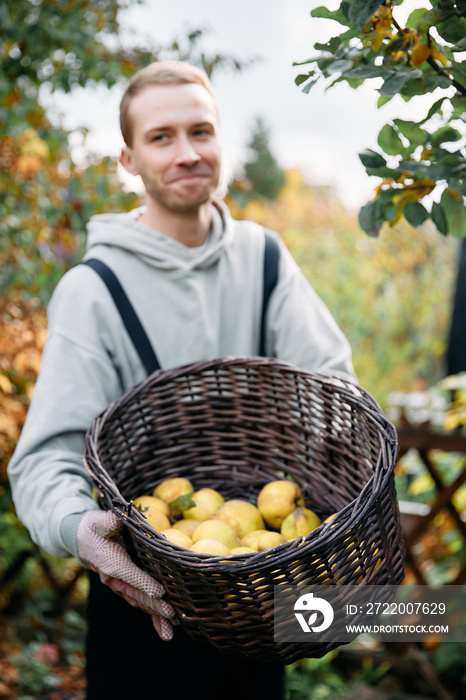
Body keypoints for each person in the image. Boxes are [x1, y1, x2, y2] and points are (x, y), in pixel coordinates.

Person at [8, 60, 357, 699]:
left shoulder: (265, 258)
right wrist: (79, 529)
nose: (187, 152)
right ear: (128, 159)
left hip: (257, 591)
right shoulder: (93, 291)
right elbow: (44, 462)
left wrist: (341, 477)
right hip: (141, 598)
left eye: (202, 131)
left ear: (221, 141)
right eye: (162, 137)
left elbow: (333, 389)